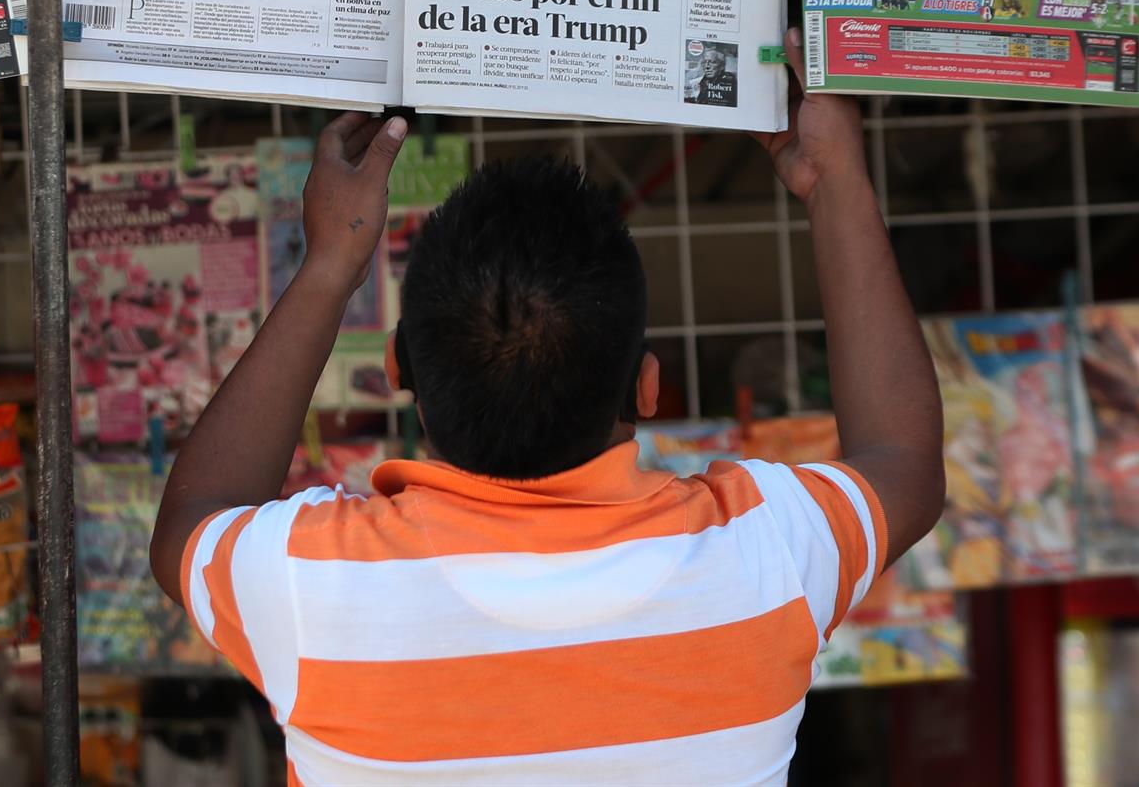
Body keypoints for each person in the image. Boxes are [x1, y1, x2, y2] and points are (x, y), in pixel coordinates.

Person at [150, 48, 946, 784]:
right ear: (646, 388)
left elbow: (191, 518)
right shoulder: (761, 559)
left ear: (398, 370)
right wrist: (835, 177)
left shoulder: (315, 592)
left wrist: (329, 264)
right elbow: (903, 460)